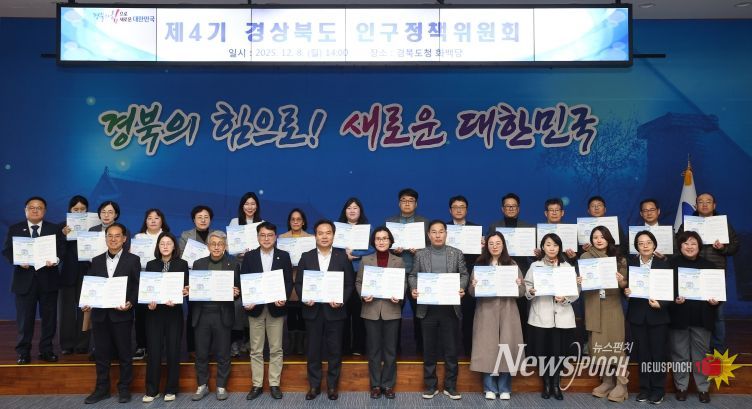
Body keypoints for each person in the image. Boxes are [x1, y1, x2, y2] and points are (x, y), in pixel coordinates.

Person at [408, 220, 468, 400]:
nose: (437, 235)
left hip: (449, 309)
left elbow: (464, 274)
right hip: (428, 309)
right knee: (429, 349)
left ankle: (451, 386)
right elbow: (413, 275)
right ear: (428, 235)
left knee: (451, 350)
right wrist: (414, 288)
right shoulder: (421, 254)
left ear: (446, 233)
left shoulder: (456, 253)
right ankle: (430, 386)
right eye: (434, 232)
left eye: (441, 231)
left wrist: (461, 287)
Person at [295, 220, 354, 401]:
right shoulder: (306, 257)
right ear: (315, 236)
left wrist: (341, 300)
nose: (324, 236)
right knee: (313, 350)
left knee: (335, 350)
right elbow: (299, 283)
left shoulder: (341, 257)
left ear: (333, 236)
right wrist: (305, 297)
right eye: (320, 233)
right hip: (312, 311)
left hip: (335, 311)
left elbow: (349, 284)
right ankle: (314, 386)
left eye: (328, 233)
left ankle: (332, 386)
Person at [2, 196, 65, 365]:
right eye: (32, 207)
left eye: (39, 208)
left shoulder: (54, 229)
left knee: (49, 319)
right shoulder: (16, 228)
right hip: (24, 281)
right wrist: (17, 260)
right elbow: (7, 250)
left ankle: (46, 350)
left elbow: (62, 250)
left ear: (45, 211)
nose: (35, 210)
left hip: (48, 279)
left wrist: (56, 260)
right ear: (25, 210)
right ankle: (23, 352)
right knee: (25, 319)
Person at [82, 223, 140, 404]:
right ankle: (102, 389)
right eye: (110, 236)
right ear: (105, 238)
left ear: (124, 238)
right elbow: (91, 285)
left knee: (124, 354)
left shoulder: (133, 260)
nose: (113, 239)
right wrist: (86, 302)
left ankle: (124, 389)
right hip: (100, 315)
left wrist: (130, 302)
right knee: (101, 355)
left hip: (122, 315)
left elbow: (137, 286)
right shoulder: (96, 260)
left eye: (117, 236)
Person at [677, 192, 739, 352]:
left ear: (714, 205)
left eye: (708, 201)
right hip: (690, 273)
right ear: (696, 205)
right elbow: (678, 243)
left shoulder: (722, 223)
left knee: (717, 315)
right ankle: (696, 350)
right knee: (691, 313)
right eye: (700, 201)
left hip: (715, 274)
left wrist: (723, 248)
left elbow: (735, 245)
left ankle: (717, 350)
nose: (704, 204)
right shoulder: (687, 224)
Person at [241, 222, 293, 401]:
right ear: (257, 237)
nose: (266, 238)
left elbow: (288, 281)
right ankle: (256, 385)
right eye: (262, 235)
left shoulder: (283, 256)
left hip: (276, 308)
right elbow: (244, 280)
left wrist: (284, 297)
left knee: (276, 348)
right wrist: (247, 300)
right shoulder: (249, 256)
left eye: (270, 235)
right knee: (255, 349)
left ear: (275, 237)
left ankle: (274, 384)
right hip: (255, 307)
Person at [469, 232, 524, 401]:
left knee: (507, 347)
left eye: (498, 243)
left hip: (508, 310)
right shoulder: (480, 264)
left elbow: (522, 292)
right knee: (487, 349)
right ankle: (489, 387)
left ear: (503, 245)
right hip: (486, 310)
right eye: (491, 243)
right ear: (486, 246)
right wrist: (474, 286)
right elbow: (472, 292)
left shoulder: (512, 264)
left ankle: (505, 387)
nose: (494, 246)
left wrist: (519, 285)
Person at [577, 225, 630, 402]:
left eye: (602, 237)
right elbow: (582, 284)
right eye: (595, 237)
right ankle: (607, 382)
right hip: (593, 303)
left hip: (612, 304)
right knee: (599, 346)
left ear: (608, 239)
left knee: (616, 345)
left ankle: (622, 384)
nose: (599, 240)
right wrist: (579, 281)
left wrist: (621, 281)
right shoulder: (585, 257)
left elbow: (624, 286)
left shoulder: (619, 258)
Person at [188, 231, 241, 401]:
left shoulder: (233, 263)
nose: (217, 247)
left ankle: (221, 386)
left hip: (222, 314)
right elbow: (194, 288)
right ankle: (202, 385)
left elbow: (238, 290)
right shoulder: (198, 263)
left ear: (225, 246)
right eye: (213, 244)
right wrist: (190, 290)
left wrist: (236, 292)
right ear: (208, 246)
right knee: (201, 353)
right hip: (202, 314)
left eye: (220, 244)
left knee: (223, 353)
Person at [525, 233, 578, 401]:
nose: (552, 248)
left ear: (559, 247)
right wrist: (531, 291)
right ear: (542, 247)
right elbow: (527, 285)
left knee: (559, 353)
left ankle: (556, 384)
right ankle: (546, 384)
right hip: (541, 316)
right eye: (548, 245)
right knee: (542, 353)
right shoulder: (535, 266)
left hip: (562, 316)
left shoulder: (567, 267)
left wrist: (565, 298)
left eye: (555, 245)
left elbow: (575, 291)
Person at [669, 231, 720, 404]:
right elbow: (665, 291)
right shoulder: (671, 265)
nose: (689, 247)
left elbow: (718, 293)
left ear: (699, 246)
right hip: (678, 317)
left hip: (702, 318)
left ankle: (703, 388)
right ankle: (681, 387)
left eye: (693, 243)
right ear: (680, 246)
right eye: (686, 243)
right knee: (679, 354)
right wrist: (674, 299)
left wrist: (716, 301)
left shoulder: (710, 266)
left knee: (702, 355)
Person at [355, 226, 405, 399]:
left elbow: (403, 283)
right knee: (374, 350)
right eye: (378, 238)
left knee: (390, 351)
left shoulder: (398, 261)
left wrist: (399, 295)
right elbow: (359, 282)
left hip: (392, 309)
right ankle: (375, 385)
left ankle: (388, 385)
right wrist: (363, 295)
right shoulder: (365, 260)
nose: (381, 241)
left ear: (390, 241)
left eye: (385, 238)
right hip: (371, 309)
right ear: (373, 241)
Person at [623, 230, 671, 404]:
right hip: (637, 315)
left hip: (658, 315)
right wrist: (626, 292)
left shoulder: (664, 264)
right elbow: (625, 288)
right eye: (641, 243)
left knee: (658, 354)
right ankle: (644, 388)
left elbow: (671, 290)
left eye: (648, 242)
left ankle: (658, 389)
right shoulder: (630, 264)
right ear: (636, 246)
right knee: (642, 354)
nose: (645, 246)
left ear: (654, 245)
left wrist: (661, 304)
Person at [142, 232, 188, 403]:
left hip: (173, 313)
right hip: (154, 313)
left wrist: (184, 292)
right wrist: (149, 302)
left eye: (169, 243)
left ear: (174, 246)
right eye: (162, 243)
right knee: (154, 351)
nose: (166, 246)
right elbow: (147, 289)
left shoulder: (182, 264)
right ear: (158, 247)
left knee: (173, 351)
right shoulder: (151, 264)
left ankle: (171, 389)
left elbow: (186, 288)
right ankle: (152, 390)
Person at [386, 188, 429, 353]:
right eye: (404, 200)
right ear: (399, 203)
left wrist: (419, 251)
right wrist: (393, 250)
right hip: (396, 273)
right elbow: (382, 245)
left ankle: (422, 349)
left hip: (418, 273)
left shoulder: (424, 222)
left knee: (420, 313)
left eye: (411, 200)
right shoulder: (390, 222)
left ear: (416, 204)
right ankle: (394, 349)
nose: (407, 203)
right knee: (394, 312)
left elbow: (431, 247)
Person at [487, 193, 533, 344]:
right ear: (502, 208)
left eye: (514, 206)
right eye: (508, 206)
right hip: (498, 275)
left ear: (518, 208)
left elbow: (533, 256)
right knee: (499, 314)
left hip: (520, 274)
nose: (511, 208)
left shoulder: (528, 227)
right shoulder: (494, 226)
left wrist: (536, 253)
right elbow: (488, 249)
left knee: (520, 312)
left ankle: (520, 347)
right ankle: (498, 346)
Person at [178, 205, 216, 356]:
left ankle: (210, 347)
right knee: (194, 313)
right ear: (194, 219)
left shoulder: (217, 235)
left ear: (211, 219)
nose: (203, 220)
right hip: (193, 278)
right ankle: (193, 348)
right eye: (199, 217)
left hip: (212, 279)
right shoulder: (185, 235)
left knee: (212, 314)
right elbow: (181, 256)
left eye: (206, 217)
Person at [133, 208, 171, 361]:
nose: (153, 221)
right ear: (145, 221)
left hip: (163, 279)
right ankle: (141, 346)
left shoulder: (166, 237)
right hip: (142, 279)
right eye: (150, 218)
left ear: (162, 220)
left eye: (156, 218)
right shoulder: (138, 237)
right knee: (141, 314)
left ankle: (158, 346)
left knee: (160, 314)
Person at [337, 197, 373, 356]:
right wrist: (344, 256)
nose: (352, 210)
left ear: (360, 211)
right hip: (341, 274)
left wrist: (354, 254)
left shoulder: (367, 229)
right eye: (349, 208)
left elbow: (373, 248)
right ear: (345, 211)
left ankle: (359, 346)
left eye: (355, 208)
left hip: (360, 273)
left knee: (359, 310)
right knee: (342, 310)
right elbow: (330, 247)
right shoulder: (337, 229)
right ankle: (343, 347)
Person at [447, 195, 481, 356]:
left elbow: (481, 257)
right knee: (449, 316)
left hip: (469, 275)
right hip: (447, 277)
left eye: (462, 207)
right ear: (450, 210)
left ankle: (469, 350)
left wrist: (482, 247)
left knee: (469, 314)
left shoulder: (475, 229)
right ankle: (449, 350)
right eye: (455, 207)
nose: (459, 210)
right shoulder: (443, 229)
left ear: (466, 210)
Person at [229, 192, 261, 357]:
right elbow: (229, 246)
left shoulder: (262, 224)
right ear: (242, 206)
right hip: (238, 265)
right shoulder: (235, 222)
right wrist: (238, 251)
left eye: (253, 204)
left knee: (252, 302)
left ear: (257, 206)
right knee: (236, 304)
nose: (250, 207)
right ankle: (235, 341)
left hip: (254, 266)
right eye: (247, 204)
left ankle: (249, 342)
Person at [58, 195, 92, 355]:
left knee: (85, 309)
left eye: (82, 209)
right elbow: (58, 253)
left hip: (88, 272)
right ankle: (67, 344)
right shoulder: (62, 227)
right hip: (68, 273)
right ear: (70, 210)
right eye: (75, 209)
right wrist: (63, 236)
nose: (79, 212)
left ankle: (83, 344)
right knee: (66, 311)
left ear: (87, 210)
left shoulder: (93, 226)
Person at [280, 208, 311, 355]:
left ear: (303, 222)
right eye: (293, 219)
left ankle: (301, 343)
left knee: (303, 311)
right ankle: (292, 342)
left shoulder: (310, 239)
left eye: (299, 219)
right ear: (289, 222)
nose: (296, 222)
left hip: (304, 278)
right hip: (288, 276)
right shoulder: (282, 238)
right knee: (291, 312)